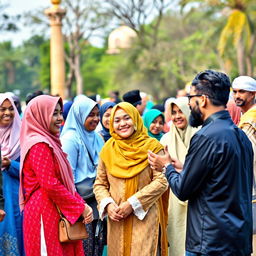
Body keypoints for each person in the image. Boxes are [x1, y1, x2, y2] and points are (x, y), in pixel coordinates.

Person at [148, 70, 253, 255]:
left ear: (203, 99)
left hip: (210, 242)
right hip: (238, 240)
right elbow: (221, 179)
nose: (189, 103)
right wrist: (183, 168)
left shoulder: (206, 136)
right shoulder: (240, 135)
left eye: (191, 97)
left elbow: (183, 190)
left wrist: (166, 167)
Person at [19, 95, 93, 256]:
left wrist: (79, 204)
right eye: (54, 113)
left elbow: (61, 182)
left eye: (60, 113)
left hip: (54, 207)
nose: (60, 118)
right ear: (40, 115)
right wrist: (79, 206)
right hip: (44, 212)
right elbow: (50, 183)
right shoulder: (39, 144)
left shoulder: (50, 141)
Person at [94, 102, 169, 256]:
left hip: (145, 218)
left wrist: (133, 203)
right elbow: (100, 183)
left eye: (126, 118)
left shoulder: (153, 147)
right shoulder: (108, 149)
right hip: (117, 219)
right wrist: (108, 205)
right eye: (117, 120)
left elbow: (162, 181)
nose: (122, 124)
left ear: (135, 119)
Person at [61, 95, 105, 256]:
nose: (95, 119)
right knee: (84, 248)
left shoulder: (96, 137)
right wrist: (78, 206)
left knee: (96, 248)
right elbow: (67, 177)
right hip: (81, 203)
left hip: (97, 200)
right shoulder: (71, 140)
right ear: (79, 115)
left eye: (97, 114)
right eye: (90, 115)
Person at [160, 97, 198, 256]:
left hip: (197, 201)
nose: (177, 116)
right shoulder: (165, 140)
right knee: (176, 241)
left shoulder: (200, 136)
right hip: (173, 201)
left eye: (181, 111)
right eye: (173, 113)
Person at [232, 75, 256, 253]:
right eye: (234, 92)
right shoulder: (244, 117)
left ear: (253, 94)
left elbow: (249, 155)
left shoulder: (250, 120)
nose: (237, 95)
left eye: (242, 91)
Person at [0, 93, 24, 255]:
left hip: (14, 197)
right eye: (2, 109)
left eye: (11, 109)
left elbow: (32, 170)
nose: (7, 113)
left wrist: (11, 165)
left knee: (14, 234)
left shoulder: (22, 136)